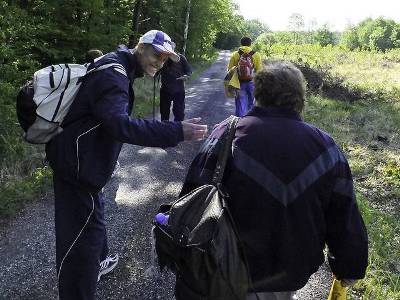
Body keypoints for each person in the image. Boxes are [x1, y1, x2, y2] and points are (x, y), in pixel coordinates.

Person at [181, 61, 368, 300]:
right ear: (300, 100)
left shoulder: (226, 133)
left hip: (222, 267)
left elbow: (192, 195)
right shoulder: (326, 147)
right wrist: (349, 266)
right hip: (286, 274)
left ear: (257, 94)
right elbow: (343, 213)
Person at [45, 30, 207, 300]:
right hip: (77, 168)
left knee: (93, 228)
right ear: (141, 47)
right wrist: (176, 131)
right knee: (81, 247)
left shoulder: (118, 65)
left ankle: (101, 260)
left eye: (166, 59)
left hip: (84, 164)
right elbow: (120, 125)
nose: (160, 62)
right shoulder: (114, 75)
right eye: (157, 54)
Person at [228, 36, 262, 117]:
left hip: (239, 83)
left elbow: (230, 69)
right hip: (252, 82)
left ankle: (240, 123)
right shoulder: (256, 55)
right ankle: (251, 121)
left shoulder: (235, 54)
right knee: (252, 102)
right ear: (250, 44)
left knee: (240, 104)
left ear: (241, 44)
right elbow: (259, 71)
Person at [158, 53, 192, 121]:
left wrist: (186, 76)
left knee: (179, 113)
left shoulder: (181, 57)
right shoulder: (162, 58)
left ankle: (178, 129)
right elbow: (156, 71)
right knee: (164, 113)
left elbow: (189, 71)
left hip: (179, 90)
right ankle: (164, 129)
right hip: (165, 89)